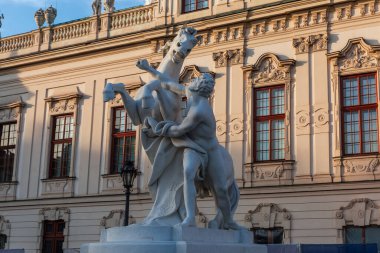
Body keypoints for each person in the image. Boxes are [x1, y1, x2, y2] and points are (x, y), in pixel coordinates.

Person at [147, 73, 241, 229]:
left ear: (198, 87)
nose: (192, 80)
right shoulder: (190, 95)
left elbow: (179, 131)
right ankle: (190, 217)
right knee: (188, 173)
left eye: (195, 80)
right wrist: (149, 70)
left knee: (221, 189)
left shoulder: (200, 110)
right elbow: (170, 85)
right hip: (193, 146)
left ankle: (228, 220)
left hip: (211, 150)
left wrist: (157, 127)